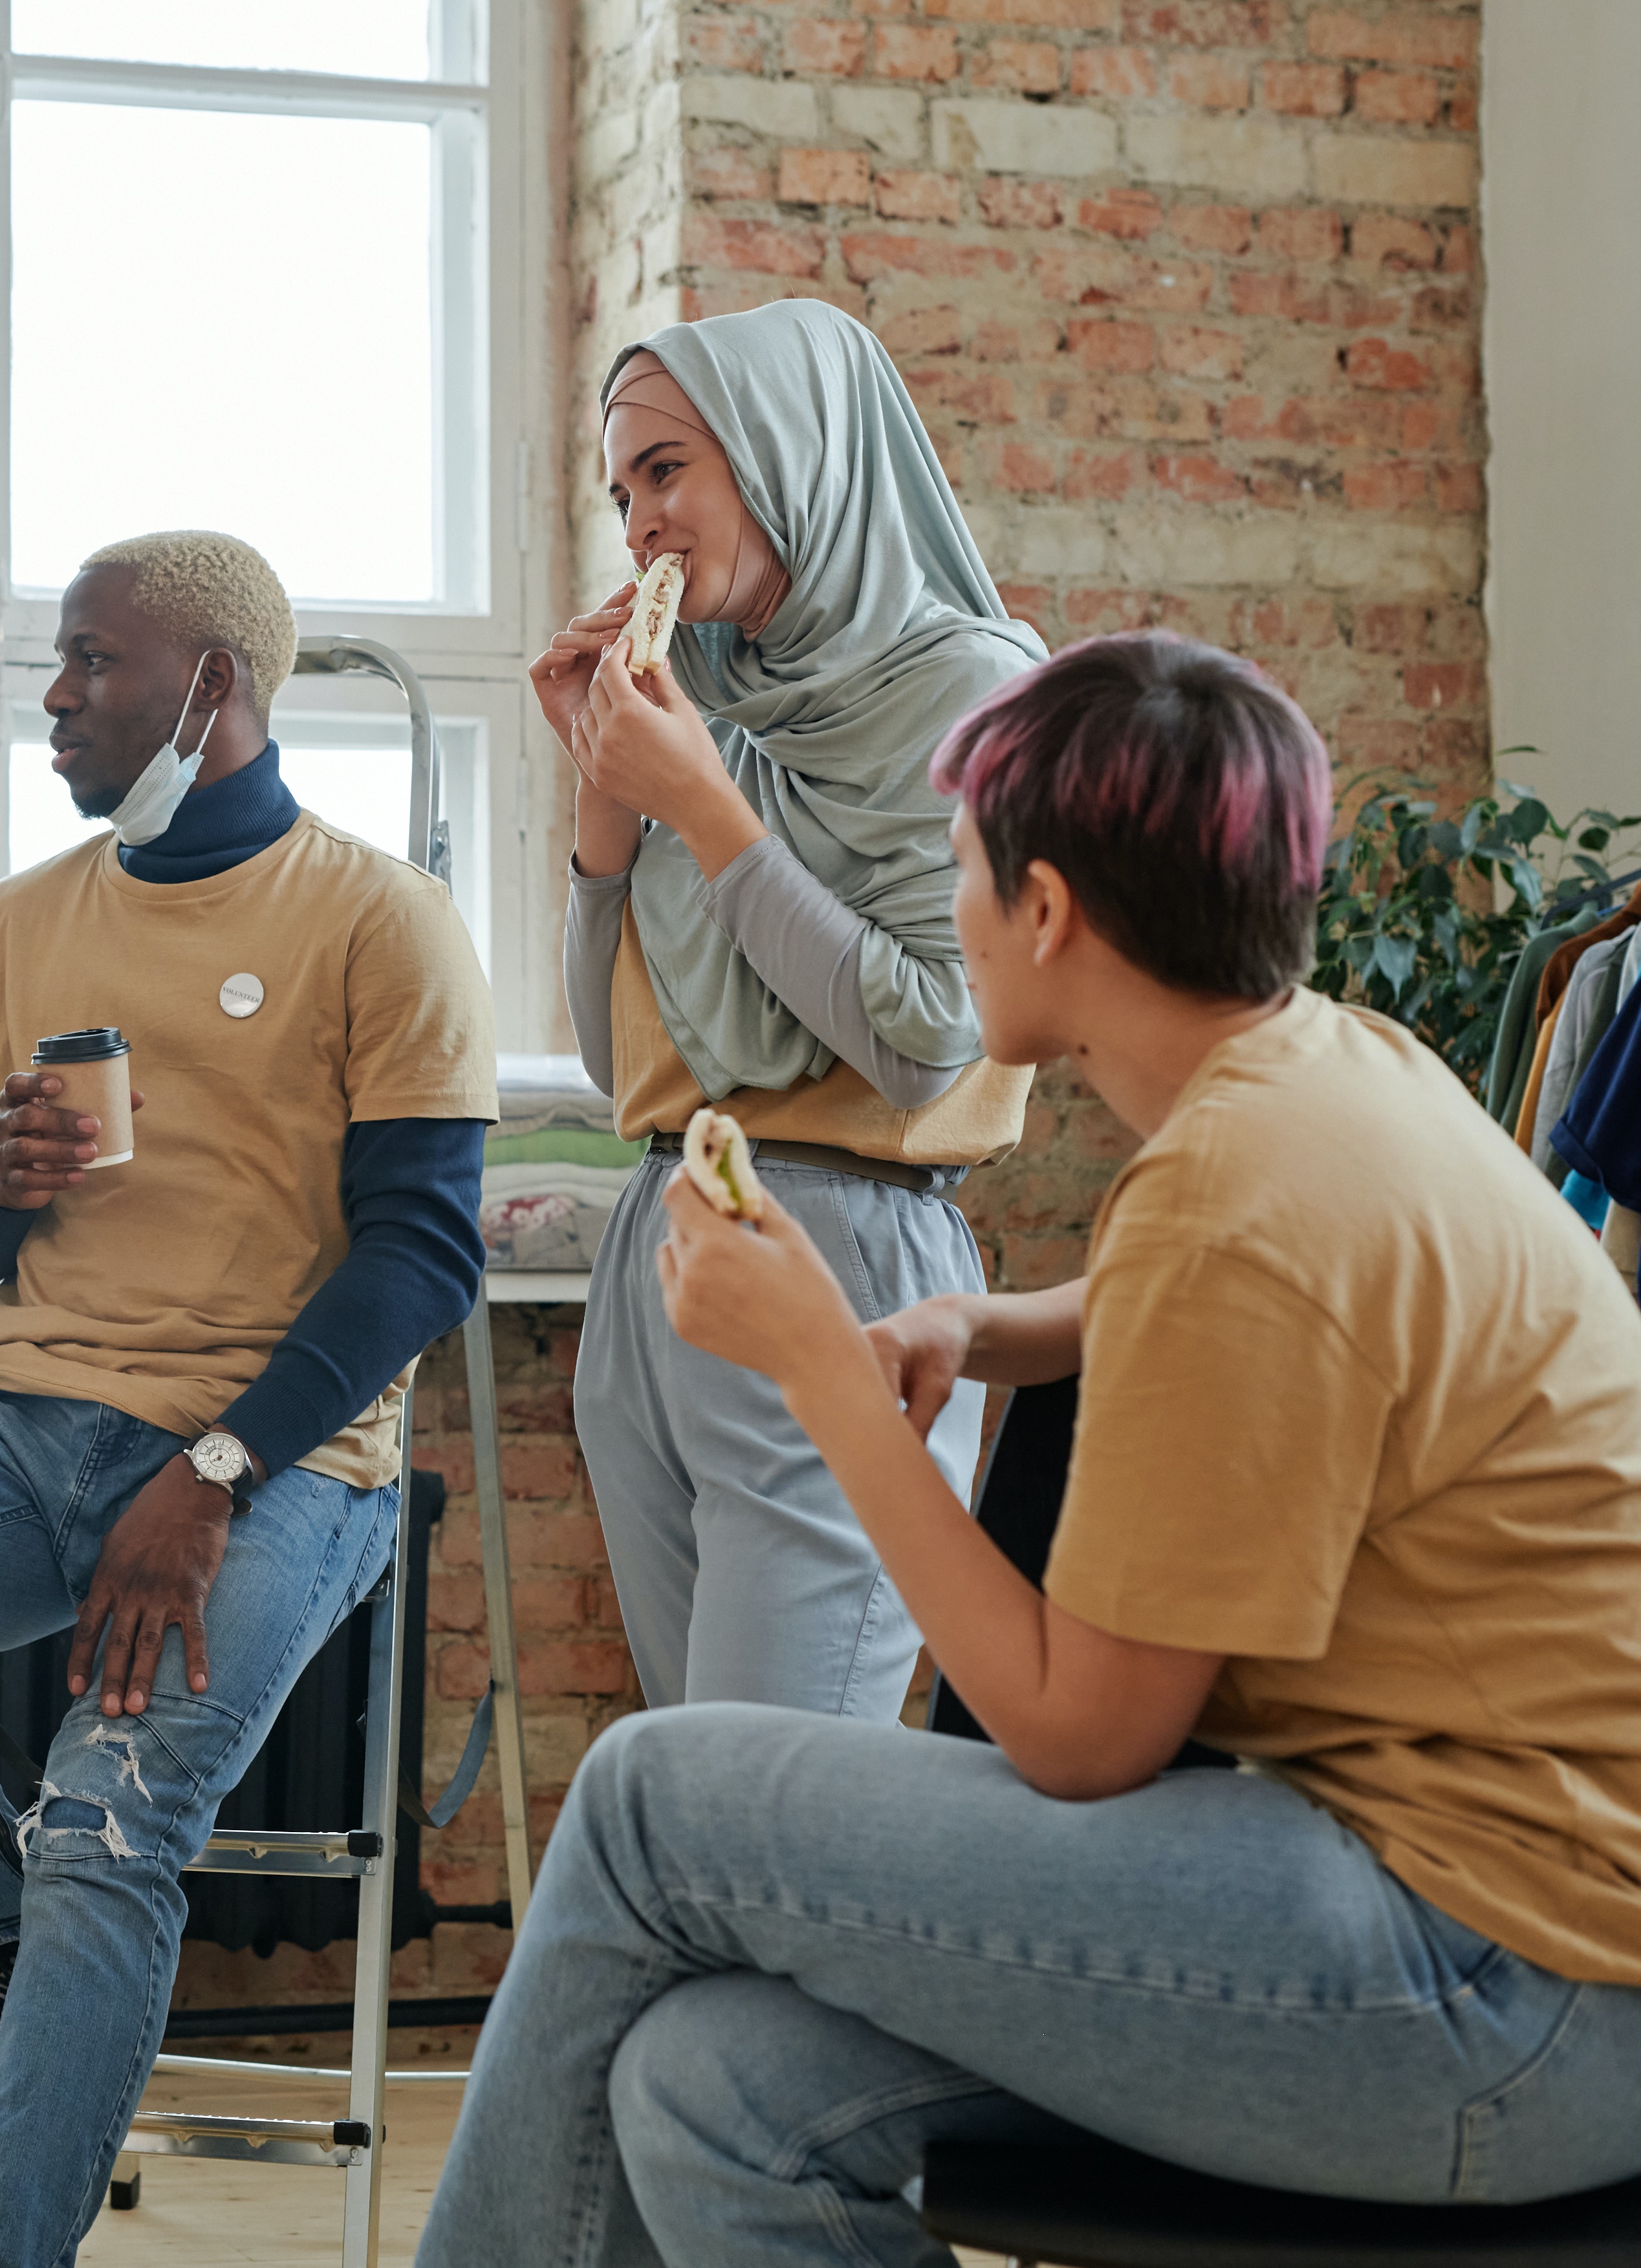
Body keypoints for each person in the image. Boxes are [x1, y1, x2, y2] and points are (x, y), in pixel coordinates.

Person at [416, 633, 1641, 2268]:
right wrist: (984, 1330)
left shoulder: (1230, 1201)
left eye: (958, 875)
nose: (954, 913)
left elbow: (1078, 1737)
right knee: (710, 2083)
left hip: (1497, 1991)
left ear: (1047, 909)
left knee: (648, 1795)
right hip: (1528, 1962)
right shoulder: (1328, 1071)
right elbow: (1216, 1288)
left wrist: (819, 1372)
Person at [0, 532, 496, 2267]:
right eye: (54, 664)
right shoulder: (14, 922)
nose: (51, 697)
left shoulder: (382, 920)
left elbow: (422, 1258)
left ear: (210, 686)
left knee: (112, 1821)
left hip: (281, 1462)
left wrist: (212, 1466)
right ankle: (5, 1932)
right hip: (26, 1418)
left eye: (87, 663)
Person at [537, 297, 1043, 1717]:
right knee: (696, 1805)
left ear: (784, 455)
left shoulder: (972, 694)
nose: (636, 521)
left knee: (773, 1797)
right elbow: (617, 1059)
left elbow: (923, 1033)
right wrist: (600, 810)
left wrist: (699, 805)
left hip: (846, 1244)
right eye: (619, 487)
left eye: (665, 471)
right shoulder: (700, 691)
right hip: (658, 1243)